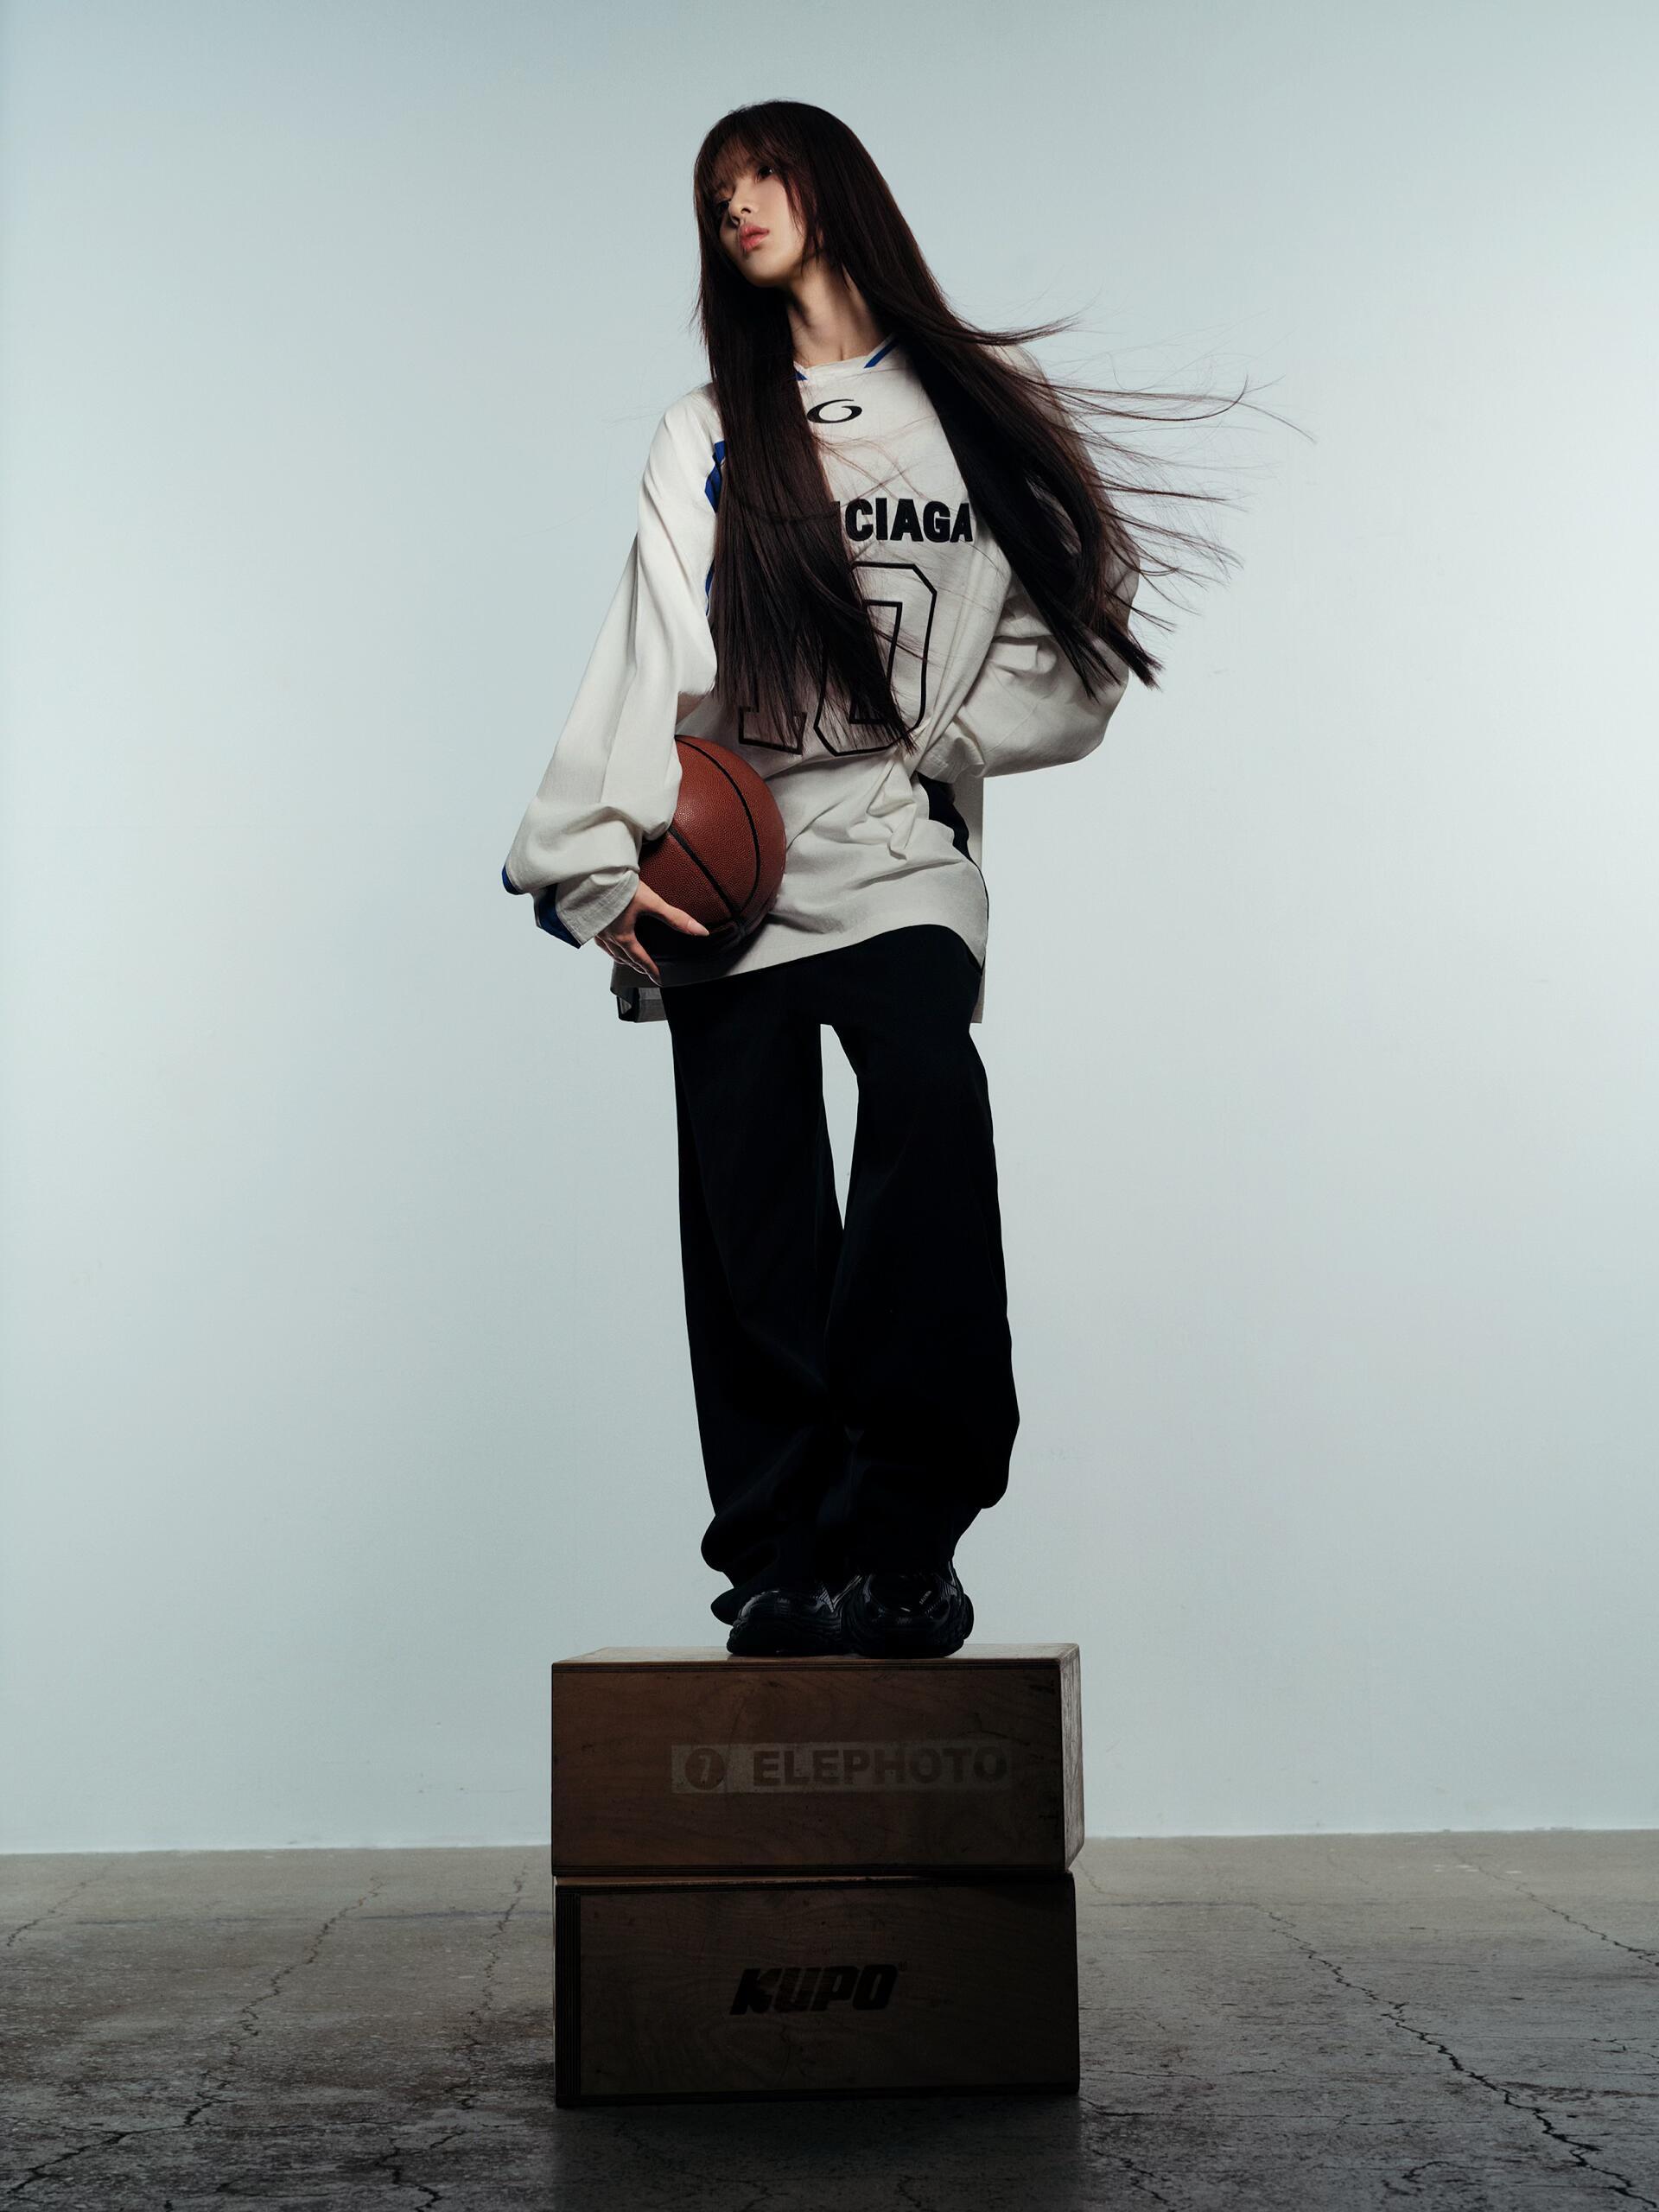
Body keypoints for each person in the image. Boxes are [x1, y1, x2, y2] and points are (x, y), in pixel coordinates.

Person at [503, 100, 1194, 1661]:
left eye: (765, 174)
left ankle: (905, 1536)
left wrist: (942, 737)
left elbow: (1081, 613)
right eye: (717, 194)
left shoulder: (980, 406)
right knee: (747, 1213)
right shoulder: (711, 428)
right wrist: (595, 862)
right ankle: (781, 1554)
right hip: (729, 861)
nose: (740, 205)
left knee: (927, 1109)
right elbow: (648, 644)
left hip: (895, 849)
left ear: (836, 189)